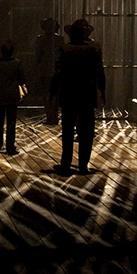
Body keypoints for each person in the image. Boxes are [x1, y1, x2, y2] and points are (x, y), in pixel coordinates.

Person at [50, 19, 106, 174]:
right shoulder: (93, 50)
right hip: (87, 94)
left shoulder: (66, 50)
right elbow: (100, 73)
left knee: (67, 131)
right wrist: (102, 91)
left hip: (69, 94)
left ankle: (66, 164)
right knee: (87, 132)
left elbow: (58, 72)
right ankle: (83, 165)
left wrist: (53, 92)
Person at [0, 39, 27, 155]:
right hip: (12, 95)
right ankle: (10, 147)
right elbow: (22, 79)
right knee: (11, 122)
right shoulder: (17, 63)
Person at [34, 17, 63, 125]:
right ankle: (54, 116)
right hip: (58, 70)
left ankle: (49, 116)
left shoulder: (40, 39)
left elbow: (38, 55)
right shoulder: (60, 39)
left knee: (46, 94)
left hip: (44, 70)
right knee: (56, 95)